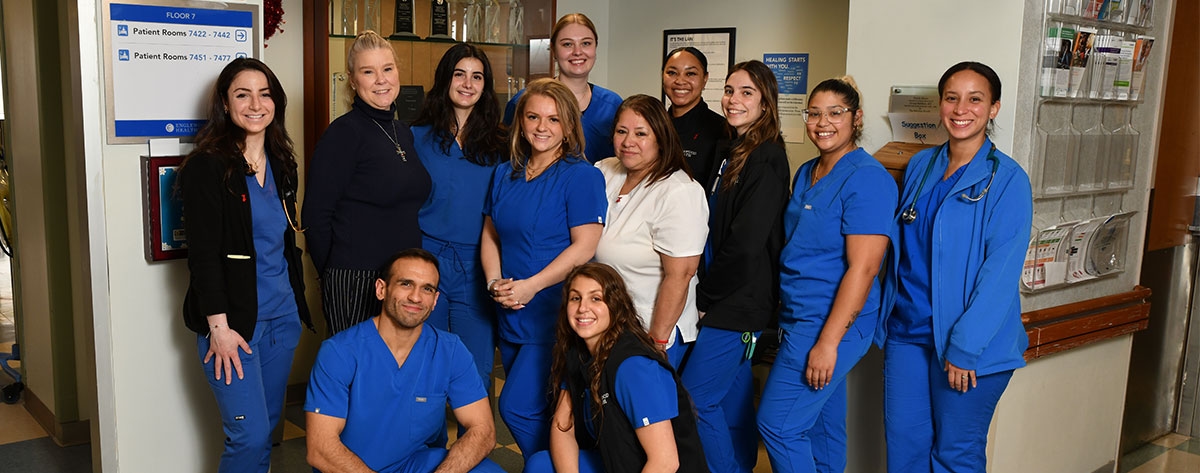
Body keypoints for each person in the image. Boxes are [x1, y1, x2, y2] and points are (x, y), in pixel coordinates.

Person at [879, 61, 1032, 473]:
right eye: (952, 98)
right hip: (907, 334)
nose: (961, 108)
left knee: (954, 457)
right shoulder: (921, 166)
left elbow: (1000, 275)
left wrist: (964, 348)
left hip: (968, 346)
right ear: (941, 105)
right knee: (905, 454)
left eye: (975, 99)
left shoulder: (1008, 181)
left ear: (994, 108)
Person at [178, 57, 313, 473]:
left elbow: (284, 240)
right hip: (234, 326)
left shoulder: (282, 162)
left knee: (268, 430)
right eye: (242, 94)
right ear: (224, 102)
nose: (256, 104)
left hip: (282, 319)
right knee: (248, 437)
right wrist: (218, 329)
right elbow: (202, 256)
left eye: (265, 93)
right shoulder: (208, 166)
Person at [756, 76, 897, 473]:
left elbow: (865, 267)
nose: (823, 122)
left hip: (829, 322)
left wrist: (828, 343)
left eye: (836, 113)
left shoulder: (867, 179)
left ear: (857, 118)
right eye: (814, 113)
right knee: (819, 426)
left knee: (778, 426)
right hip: (799, 315)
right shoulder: (807, 172)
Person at [481, 78, 607, 458]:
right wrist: (493, 283)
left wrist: (532, 286)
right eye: (533, 117)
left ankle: (553, 467)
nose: (541, 127)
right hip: (512, 310)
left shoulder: (582, 176)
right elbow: (490, 236)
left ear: (569, 126)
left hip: (553, 314)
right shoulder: (505, 173)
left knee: (515, 407)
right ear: (520, 121)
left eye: (553, 119)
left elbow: (586, 245)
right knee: (545, 409)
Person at [680, 60, 791, 473]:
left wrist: (706, 296)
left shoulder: (767, 158)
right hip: (721, 293)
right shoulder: (733, 152)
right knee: (730, 402)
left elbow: (746, 243)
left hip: (737, 302)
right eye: (729, 90)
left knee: (695, 398)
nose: (734, 100)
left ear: (766, 102)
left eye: (746, 92)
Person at [305, 249, 505, 473]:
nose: (416, 297)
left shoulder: (450, 349)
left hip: (415, 464)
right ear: (382, 289)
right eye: (406, 284)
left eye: (427, 289)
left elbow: (483, 430)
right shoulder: (339, 352)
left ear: (435, 300)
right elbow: (320, 449)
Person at [521, 263, 708, 473]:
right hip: (618, 461)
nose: (583, 308)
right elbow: (563, 426)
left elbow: (665, 462)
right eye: (575, 298)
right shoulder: (578, 352)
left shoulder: (634, 367)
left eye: (596, 298)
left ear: (615, 305)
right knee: (541, 465)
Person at [303, 30, 431, 335]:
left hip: (401, 280)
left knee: (395, 373)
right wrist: (332, 275)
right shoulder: (342, 134)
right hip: (355, 278)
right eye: (368, 72)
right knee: (358, 375)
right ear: (352, 79)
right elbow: (315, 216)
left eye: (387, 69)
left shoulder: (403, 132)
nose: (381, 80)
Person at [411, 42, 507, 391]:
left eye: (477, 76)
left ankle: (476, 447)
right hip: (426, 262)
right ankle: (428, 446)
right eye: (459, 74)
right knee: (425, 366)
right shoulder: (415, 138)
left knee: (475, 372)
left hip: (477, 265)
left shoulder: (501, 144)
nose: (468, 83)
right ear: (445, 79)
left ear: (485, 85)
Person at [593, 94, 708, 369]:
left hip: (651, 330)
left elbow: (680, 274)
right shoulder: (604, 171)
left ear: (660, 137)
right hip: (606, 324)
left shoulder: (679, 191)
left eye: (641, 133)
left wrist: (657, 341)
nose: (628, 141)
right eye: (622, 131)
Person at [504, 13, 621, 163]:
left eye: (586, 43)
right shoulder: (524, 101)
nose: (577, 52)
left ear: (595, 47)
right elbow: (508, 158)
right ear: (553, 50)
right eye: (567, 44)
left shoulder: (612, 105)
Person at [662, 46, 730, 186]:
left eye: (690, 74)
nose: (680, 81)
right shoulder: (654, 126)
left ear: (705, 78)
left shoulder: (722, 131)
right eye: (672, 73)